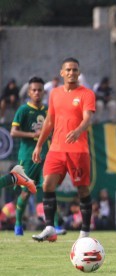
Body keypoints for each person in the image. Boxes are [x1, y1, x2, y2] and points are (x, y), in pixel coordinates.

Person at [32, 57, 96, 242]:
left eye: (75, 70)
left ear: (78, 72)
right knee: (47, 185)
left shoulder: (86, 94)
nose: (72, 73)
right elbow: (49, 121)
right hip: (56, 149)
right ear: (62, 73)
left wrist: (78, 131)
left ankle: (84, 232)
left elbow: (87, 118)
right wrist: (39, 145)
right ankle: (50, 227)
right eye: (68, 70)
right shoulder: (54, 94)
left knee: (83, 190)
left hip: (78, 150)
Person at [10, 76, 67, 236]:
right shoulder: (23, 110)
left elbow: (56, 128)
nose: (37, 93)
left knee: (49, 189)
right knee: (25, 192)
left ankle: (54, 225)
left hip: (47, 155)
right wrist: (33, 134)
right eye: (34, 90)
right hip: (27, 157)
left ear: (44, 92)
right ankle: (18, 224)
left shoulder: (49, 110)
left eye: (40, 90)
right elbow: (13, 132)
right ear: (29, 92)